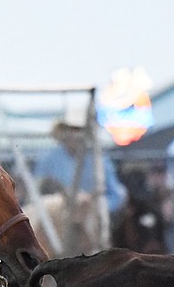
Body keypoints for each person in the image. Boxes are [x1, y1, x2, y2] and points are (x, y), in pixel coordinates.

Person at [33, 105, 127, 253]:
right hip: (56, 218)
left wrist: (95, 206)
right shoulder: (48, 160)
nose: (75, 135)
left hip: (90, 219)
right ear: (64, 132)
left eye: (79, 130)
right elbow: (37, 194)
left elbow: (117, 195)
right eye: (71, 129)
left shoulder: (100, 160)